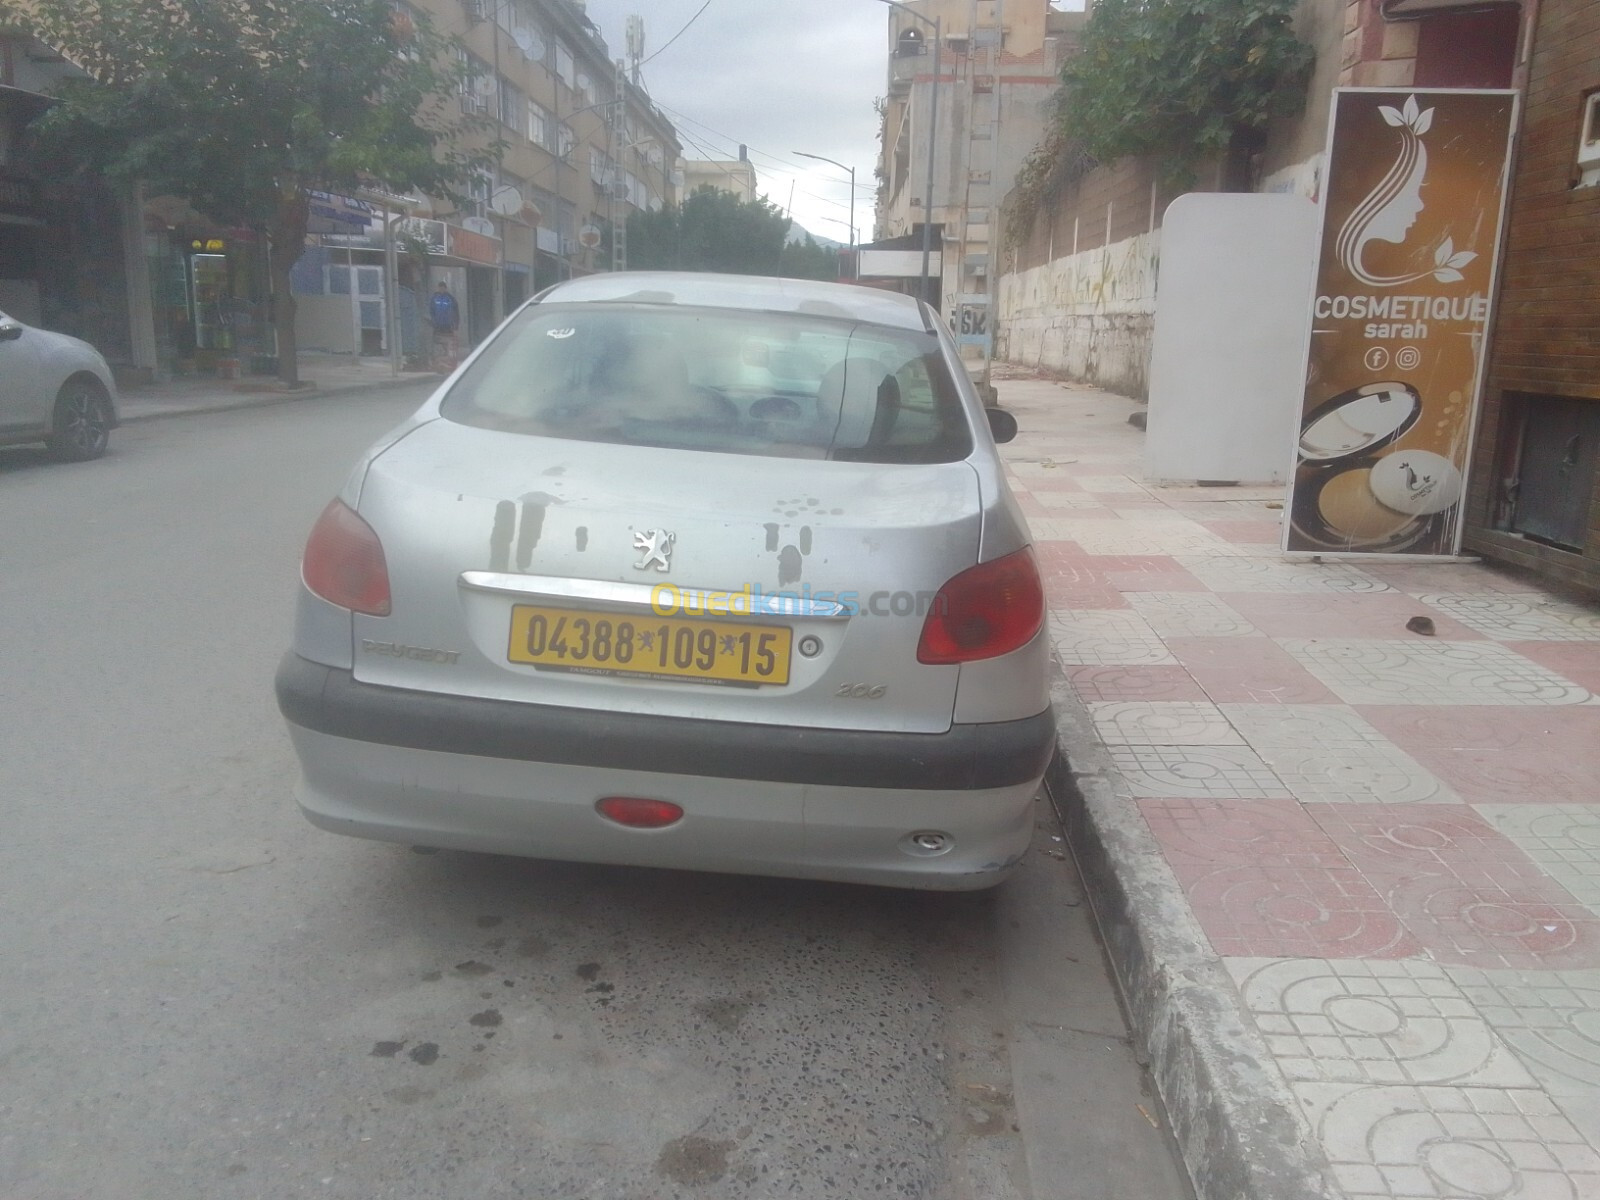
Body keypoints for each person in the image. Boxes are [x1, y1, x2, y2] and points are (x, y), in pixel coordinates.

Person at [429, 280, 460, 369]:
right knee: (437, 344)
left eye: (443, 288)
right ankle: (438, 362)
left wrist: (456, 326)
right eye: (440, 288)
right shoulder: (434, 298)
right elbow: (431, 311)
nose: (441, 289)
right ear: (438, 288)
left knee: (448, 344)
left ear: (445, 288)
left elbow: (456, 313)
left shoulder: (451, 299)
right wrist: (433, 322)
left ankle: (448, 362)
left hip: (448, 327)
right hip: (437, 326)